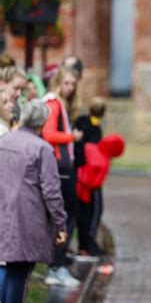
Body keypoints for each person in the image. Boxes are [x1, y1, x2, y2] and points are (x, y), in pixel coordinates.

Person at [0, 100, 67, 303]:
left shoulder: (3, 142)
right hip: (27, 218)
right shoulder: (41, 149)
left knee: (4, 265)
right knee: (19, 270)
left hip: (3, 213)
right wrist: (60, 224)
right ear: (43, 123)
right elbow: (51, 191)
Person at [42, 67, 83, 287]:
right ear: (58, 82)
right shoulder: (53, 104)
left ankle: (57, 263)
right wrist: (72, 136)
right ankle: (55, 267)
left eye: (73, 84)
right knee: (65, 217)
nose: (70, 88)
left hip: (64, 166)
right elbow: (49, 134)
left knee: (67, 216)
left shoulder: (60, 104)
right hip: (60, 167)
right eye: (67, 83)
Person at [76, 133, 125, 257]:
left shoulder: (90, 147)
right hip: (91, 191)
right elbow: (94, 181)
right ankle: (89, 246)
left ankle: (83, 246)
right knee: (93, 218)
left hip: (78, 187)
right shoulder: (103, 161)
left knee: (81, 219)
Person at [74, 97, 108, 256]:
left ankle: (83, 246)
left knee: (81, 212)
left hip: (77, 175)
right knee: (94, 211)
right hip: (90, 179)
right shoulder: (96, 130)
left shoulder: (80, 121)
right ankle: (88, 245)